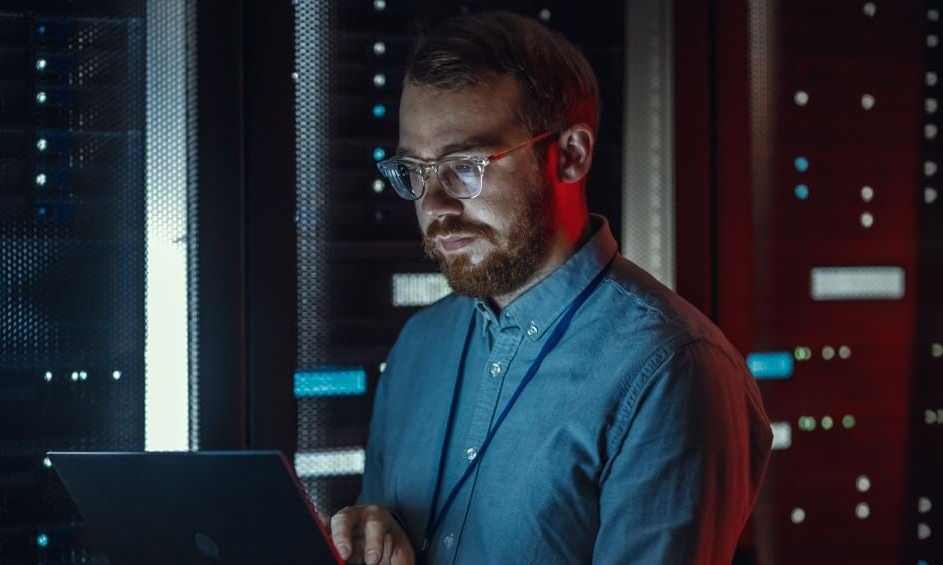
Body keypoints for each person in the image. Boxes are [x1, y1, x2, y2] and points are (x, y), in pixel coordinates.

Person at [327, 11, 772, 565]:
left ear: (572, 155)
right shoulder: (419, 346)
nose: (435, 206)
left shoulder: (674, 371)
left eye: (465, 166)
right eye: (415, 170)